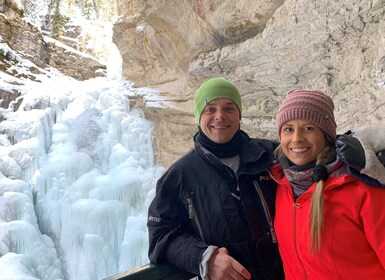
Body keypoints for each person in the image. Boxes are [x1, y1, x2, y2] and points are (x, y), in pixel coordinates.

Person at [147, 78, 384, 280]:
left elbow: (323, 154)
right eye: (210, 109)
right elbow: (160, 236)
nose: (220, 116)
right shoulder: (178, 176)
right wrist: (202, 258)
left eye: (229, 107)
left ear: (239, 114)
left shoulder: (271, 159)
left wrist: (369, 149)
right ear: (199, 115)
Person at [271, 89, 385, 280]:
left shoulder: (361, 188)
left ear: (326, 136)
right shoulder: (280, 185)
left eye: (308, 128)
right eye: (288, 129)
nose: (297, 138)